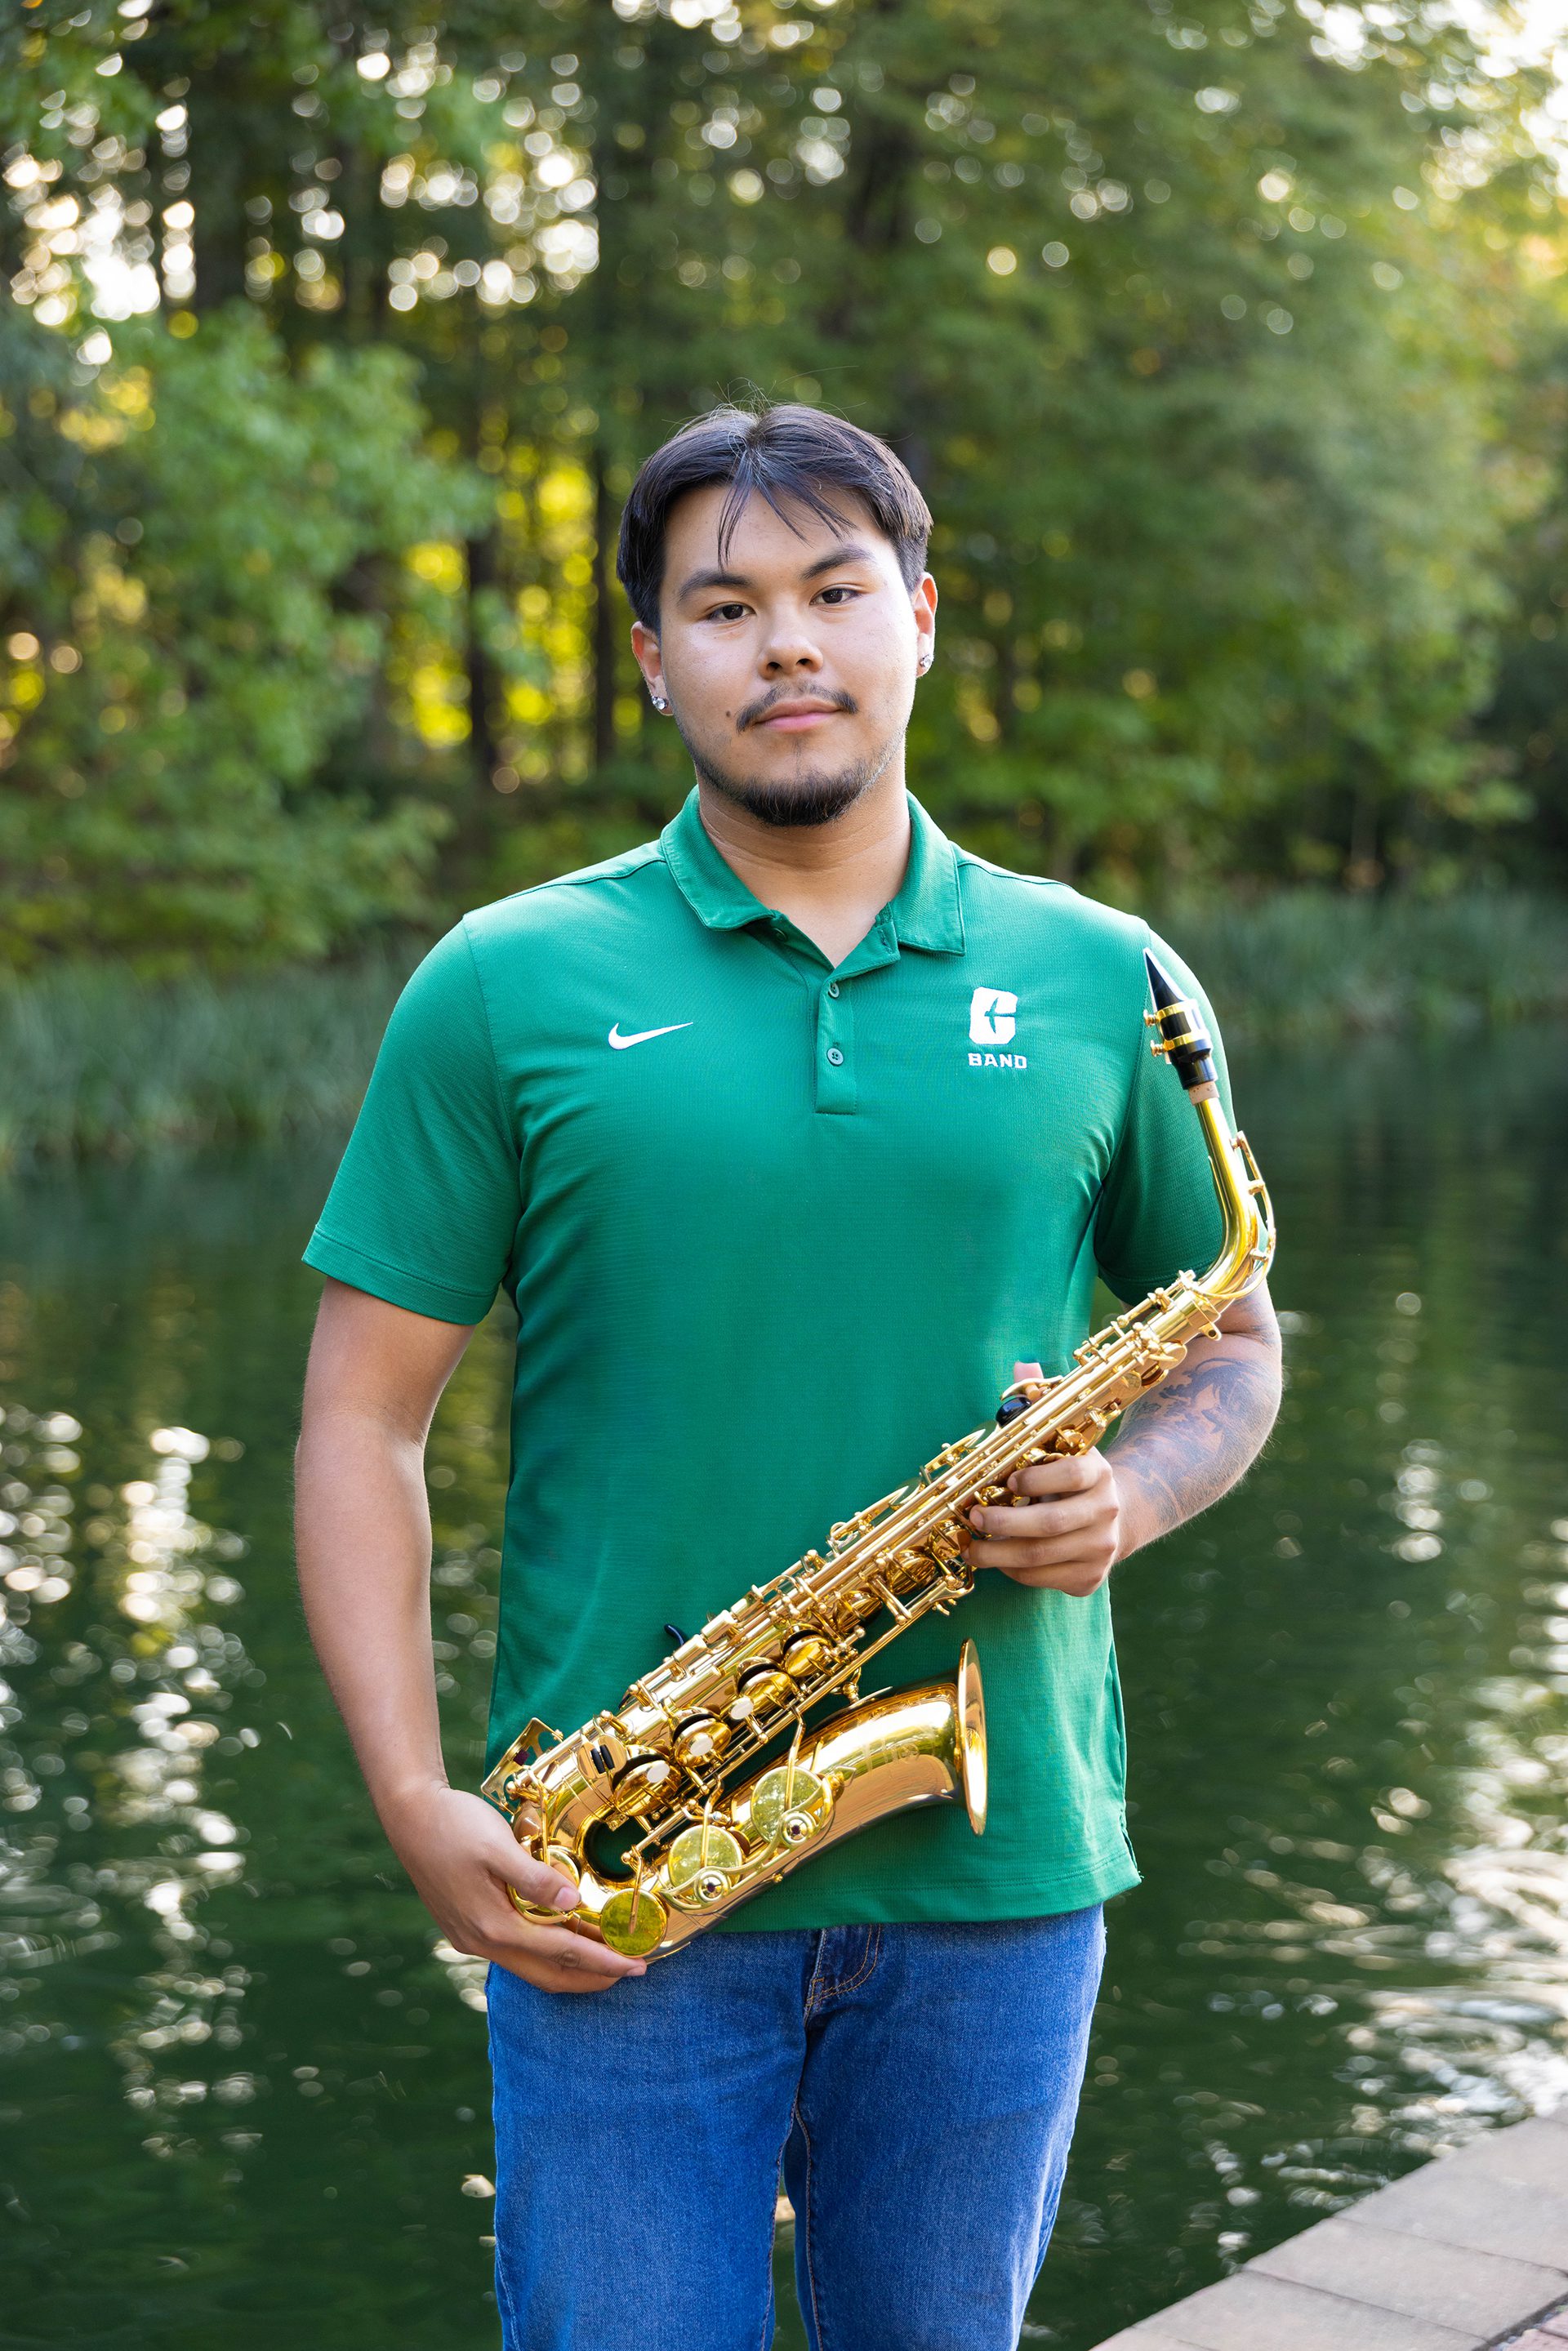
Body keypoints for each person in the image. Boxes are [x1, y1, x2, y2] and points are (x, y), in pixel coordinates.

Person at [294, 402, 1281, 2351]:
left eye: (835, 591)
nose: (789, 646)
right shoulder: (506, 980)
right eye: (724, 606)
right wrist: (411, 1794)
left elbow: (1231, 1341)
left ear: (919, 617)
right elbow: (358, 1423)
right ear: (656, 658)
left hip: (1002, 1874)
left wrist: (1135, 1492)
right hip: (617, 1880)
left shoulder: (1111, 979)